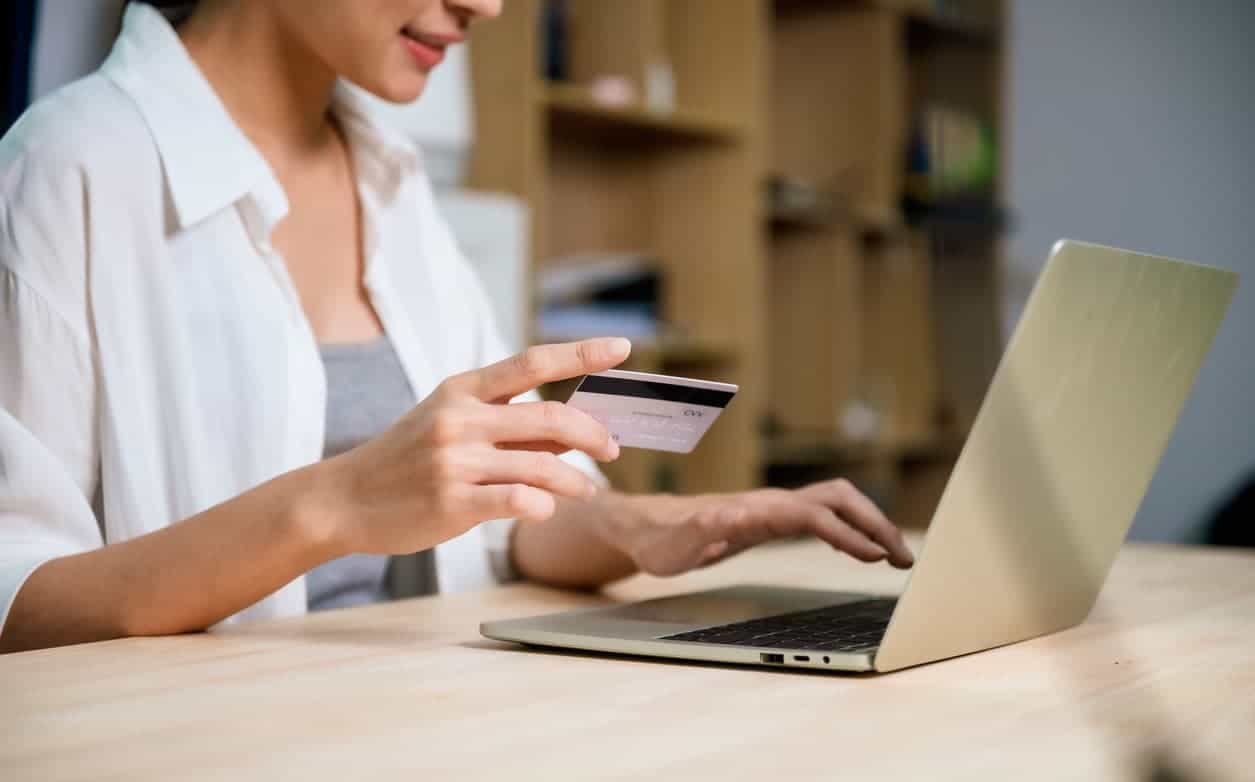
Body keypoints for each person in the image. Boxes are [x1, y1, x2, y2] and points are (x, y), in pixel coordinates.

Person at [0, 0, 913, 654]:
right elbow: (19, 601)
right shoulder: (66, 168)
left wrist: (647, 524)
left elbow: (489, 527)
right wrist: (336, 504)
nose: (487, 6)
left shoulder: (397, 189)